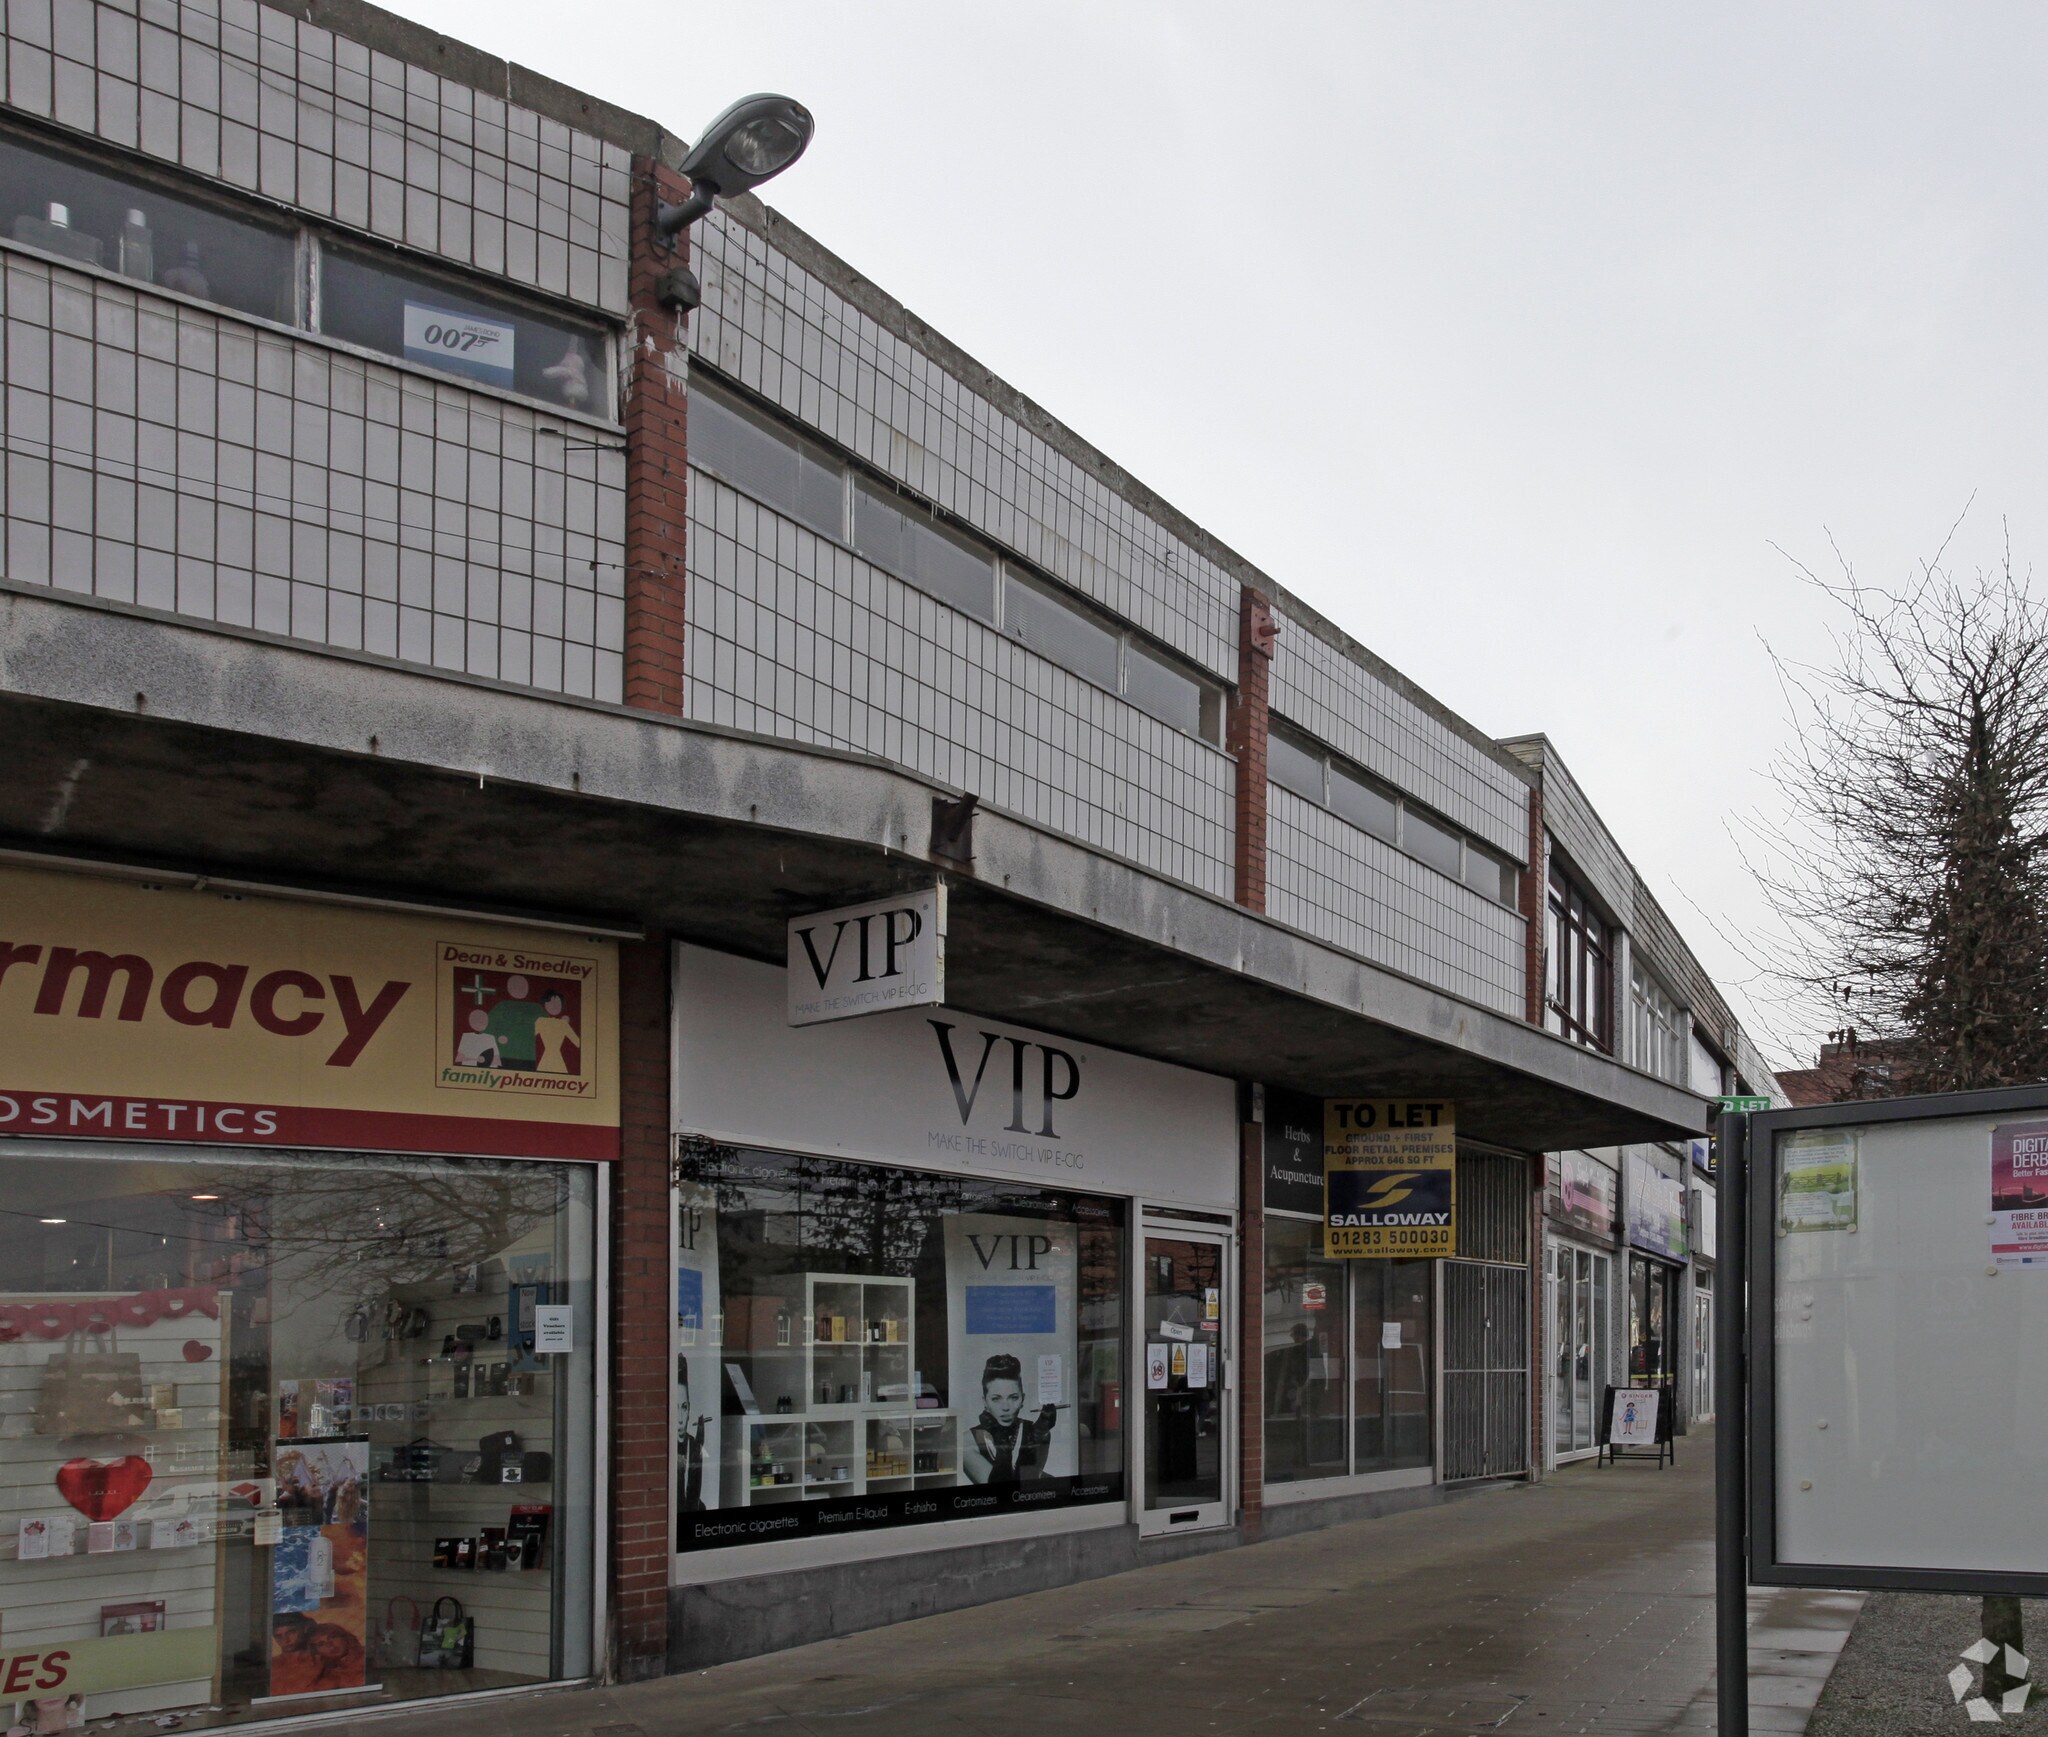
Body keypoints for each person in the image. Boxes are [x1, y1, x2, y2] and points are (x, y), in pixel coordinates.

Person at [961, 1354, 1059, 1486]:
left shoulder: (1036, 1431)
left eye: (1013, 1398)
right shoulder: (968, 1441)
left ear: (1022, 1399)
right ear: (985, 1401)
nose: (1005, 1407)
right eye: (996, 1399)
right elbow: (999, 1492)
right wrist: (1002, 1447)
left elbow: (1028, 1484)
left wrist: (1041, 1432)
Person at [486, 975, 544, 1071]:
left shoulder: (537, 1008)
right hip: (504, 1055)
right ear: (509, 988)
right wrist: (498, 1038)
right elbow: (488, 1029)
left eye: (522, 985)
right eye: (515, 985)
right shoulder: (502, 1006)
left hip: (530, 1057)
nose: (519, 988)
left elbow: (550, 1029)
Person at [532, 990, 581, 1075]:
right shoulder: (541, 1021)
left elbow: (577, 1042)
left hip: (558, 1060)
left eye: (557, 1003)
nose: (554, 1006)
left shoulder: (563, 1024)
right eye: (550, 1003)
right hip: (546, 1059)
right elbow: (528, 1036)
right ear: (545, 1004)